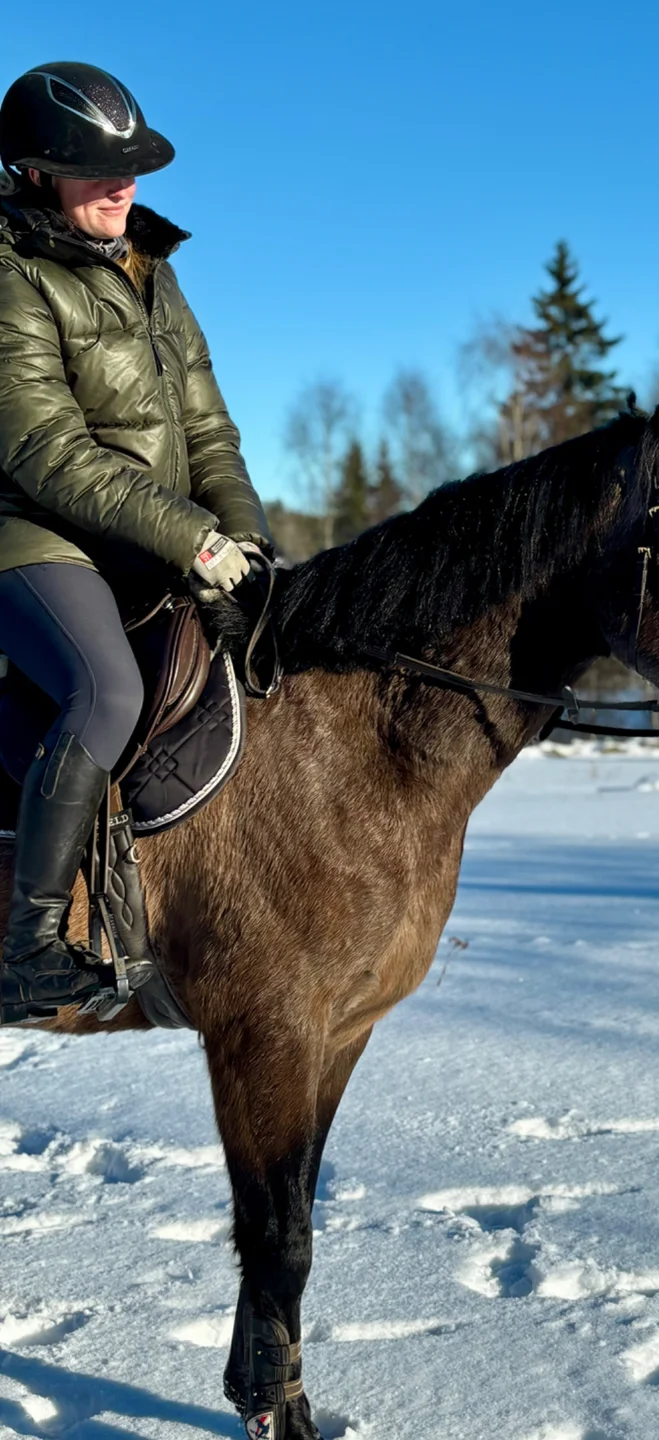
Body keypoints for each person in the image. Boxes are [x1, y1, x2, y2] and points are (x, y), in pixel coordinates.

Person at [0, 62, 273, 1023]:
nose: (124, 187)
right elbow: (45, 450)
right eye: (94, 169)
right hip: (29, 532)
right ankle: (29, 948)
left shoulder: (151, 269)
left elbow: (208, 431)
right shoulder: (8, 274)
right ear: (35, 173)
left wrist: (245, 543)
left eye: (132, 166)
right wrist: (194, 540)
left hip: (147, 532)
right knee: (106, 688)